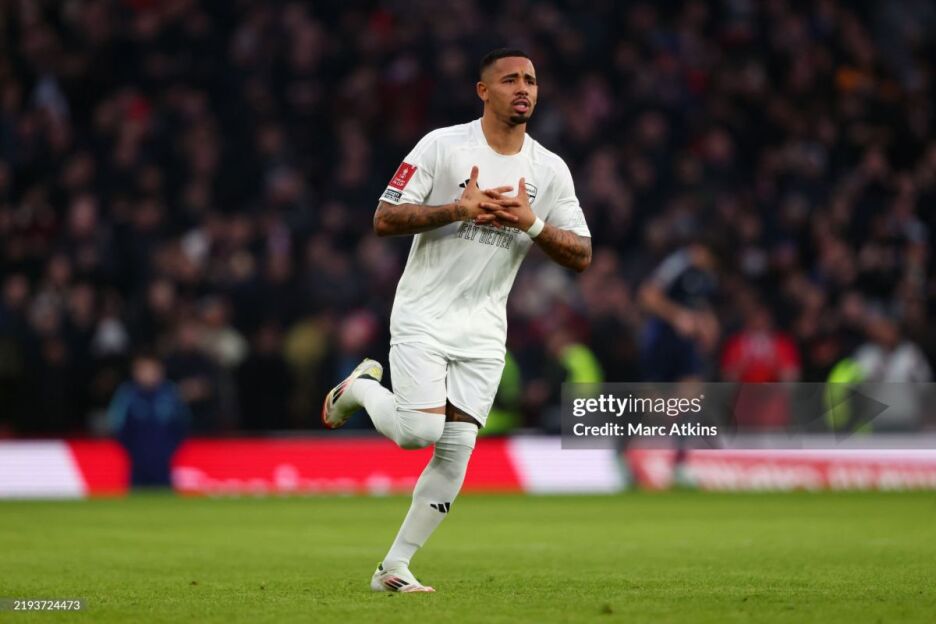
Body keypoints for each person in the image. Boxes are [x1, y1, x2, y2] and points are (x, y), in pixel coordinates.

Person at [321, 48, 591, 593]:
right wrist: (458, 210)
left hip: (485, 328)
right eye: (510, 79)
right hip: (423, 312)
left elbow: (582, 253)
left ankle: (393, 567)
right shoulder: (443, 147)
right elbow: (384, 218)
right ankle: (361, 388)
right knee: (418, 432)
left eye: (531, 80)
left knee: (455, 452)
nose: (524, 88)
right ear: (483, 91)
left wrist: (533, 224)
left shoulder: (549, 169)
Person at [108, 352, 190, 487]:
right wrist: (133, 450)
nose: (147, 374)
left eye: (151, 369)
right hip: (137, 460)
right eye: (143, 370)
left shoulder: (170, 393)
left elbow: (182, 424)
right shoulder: (127, 394)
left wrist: (168, 449)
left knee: (165, 496)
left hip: (164, 460)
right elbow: (116, 425)